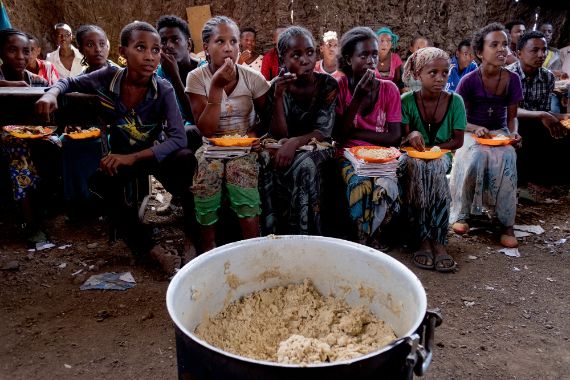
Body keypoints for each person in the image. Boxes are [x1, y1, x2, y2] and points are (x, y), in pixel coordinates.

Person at [36, 21, 195, 275]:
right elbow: (69, 83)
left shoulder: (162, 88)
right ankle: (151, 250)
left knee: (186, 159)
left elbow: (178, 138)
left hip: (148, 156)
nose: (150, 56)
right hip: (121, 160)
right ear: (122, 52)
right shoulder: (108, 76)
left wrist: (132, 157)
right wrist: (51, 94)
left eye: (155, 50)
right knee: (102, 184)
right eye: (140, 48)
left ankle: (192, 239)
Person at [185, 16, 269, 252]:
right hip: (211, 145)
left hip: (245, 145)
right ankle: (208, 246)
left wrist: (252, 133)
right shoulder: (197, 78)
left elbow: (268, 118)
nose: (228, 47)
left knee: (240, 174)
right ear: (206, 49)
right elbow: (207, 129)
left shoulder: (252, 77)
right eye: (220, 41)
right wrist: (216, 87)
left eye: (234, 41)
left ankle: (251, 247)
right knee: (207, 175)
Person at [450, 23, 523, 249]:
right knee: (476, 155)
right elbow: (458, 120)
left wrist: (513, 134)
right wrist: (475, 128)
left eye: (504, 45)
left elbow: (511, 119)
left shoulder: (512, 80)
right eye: (494, 45)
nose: (502, 49)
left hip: (498, 132)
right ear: (480, 52)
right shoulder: (469, 80)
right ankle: (463, 214)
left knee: (508, 156)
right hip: (471, 131)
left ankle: (506, 223)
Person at [261, 26, 338, 235]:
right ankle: (272, 231)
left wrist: (294, 143)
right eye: (296, 55)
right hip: (285, 144)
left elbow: (323, 131)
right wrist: (277, 97)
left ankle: (306, 233)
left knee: (304, 165)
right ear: (282, 58)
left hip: (319, 145)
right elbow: (279, 134)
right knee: (264, 160)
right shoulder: (277, 86)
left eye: (310, 52)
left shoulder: (327, 84)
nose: (305, 60)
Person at [400, 47, 466, 272]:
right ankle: (422, 237)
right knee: (418, 167)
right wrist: (411, 135)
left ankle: (438, 239)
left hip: (442, 155)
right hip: (413, 157)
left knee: (436, 167)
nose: (440, 78)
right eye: (433, 73)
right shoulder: (407, 101)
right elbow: (401, 138)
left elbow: (457, 141)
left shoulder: (455, 102)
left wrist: (437, 148)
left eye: (445, 73)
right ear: (418, 74)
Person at [334, 27, 402, 245]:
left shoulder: (389, 89)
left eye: (374, 54)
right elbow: (339, 136)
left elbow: (394, 137)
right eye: (363, 55)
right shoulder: (340, 87)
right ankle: (362, 238)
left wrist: (355, 132)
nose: (371, 61)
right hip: (349, 157)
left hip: (383, 157)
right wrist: (357, 98)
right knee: (360, 183)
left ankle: (377, 236)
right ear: (348, 59)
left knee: (385, 184)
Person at [0, 29, 52, 247]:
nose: (21, 57)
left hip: (35, 136)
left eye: (26, 51)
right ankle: (31, 223)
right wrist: (13, 86)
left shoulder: (37, 81)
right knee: (17, 151)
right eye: (13, 50)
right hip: (8, 140)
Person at [507, 30, 569, 185]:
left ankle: (551, 180)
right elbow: (508, 112)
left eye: (544, 50)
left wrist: (560, 117)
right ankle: (523, 182)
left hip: (536, 121)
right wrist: (542, 115)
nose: (541, 54)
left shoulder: (547, 76)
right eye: (534, 50)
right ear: (519, 53)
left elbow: (544, 110)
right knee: (525, 130)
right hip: (511, 124)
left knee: (562, 129)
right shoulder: (508, 76)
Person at [156, 15, 201, 150]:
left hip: (198, 131)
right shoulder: (159, 73)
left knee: (189, 132)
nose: (168, 46)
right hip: (173, 131)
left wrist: (175, 76)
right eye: (163, 42)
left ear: (188, 44)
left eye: (175, 39)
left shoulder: (203, 71)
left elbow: (195, 118)